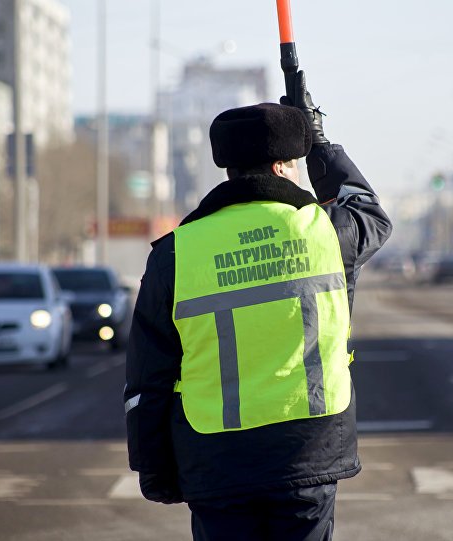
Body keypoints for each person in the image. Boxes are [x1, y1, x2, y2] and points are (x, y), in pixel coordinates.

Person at [124, 71, 392, 541]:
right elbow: (369, 211)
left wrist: (155, 470)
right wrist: (322, 143)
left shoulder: (176, 252)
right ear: (284, 165)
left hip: (217, 462)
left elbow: (148, 378)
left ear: (228, 166)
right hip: (307, 453)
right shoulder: (324, 232)